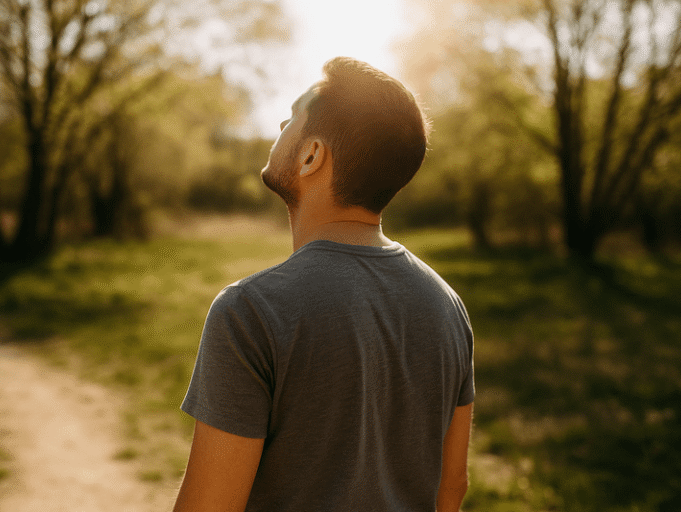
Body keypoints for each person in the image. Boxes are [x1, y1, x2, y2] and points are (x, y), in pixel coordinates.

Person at [173, 57, 474, 512]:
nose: (279, 122)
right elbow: (451, 488)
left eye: (293, 115)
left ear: (312, 156)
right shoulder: (448, 306)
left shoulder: (250, 311)